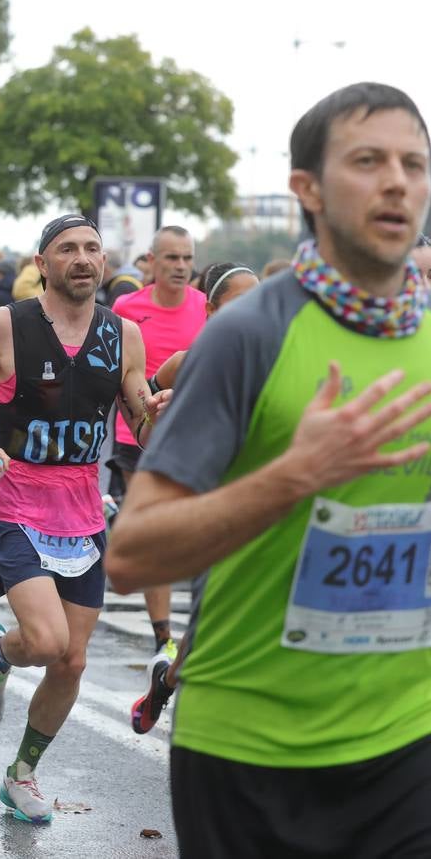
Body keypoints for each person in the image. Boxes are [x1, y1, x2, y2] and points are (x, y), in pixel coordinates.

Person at [105, 82, 431, 857]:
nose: (397, 180)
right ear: (307, 189)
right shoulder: (248, 336)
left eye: (414, 163)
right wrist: (296, 473)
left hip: (414, 729)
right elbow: (132, 555)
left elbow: (429, 506)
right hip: (249, 742)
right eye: (368, 160)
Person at [0, 213, 158, 824]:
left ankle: (22, 775)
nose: (83, 258)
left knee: (72, 661)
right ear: (44, 262)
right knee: (49, 640)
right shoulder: (7, 324)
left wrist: (159, 411)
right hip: (17, 501)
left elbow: (139, 421)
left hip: (84, 509)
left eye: (92, 248)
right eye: (68, 249)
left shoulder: (123, 335)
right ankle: (0, 654)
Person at [123, 261, 259, 736]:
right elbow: (143, 425)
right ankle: (168, 682)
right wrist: (156, 415)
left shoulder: (284, 361)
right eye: (241, 305)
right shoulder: (185, 363)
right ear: (213, 309)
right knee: (212, 631)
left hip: (266, 514)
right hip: (211, 508)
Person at [108, 225, 206, 667]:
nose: (181, 267)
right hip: (139, 433)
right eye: (171, 258)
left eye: (187, 258)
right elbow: (112, 370)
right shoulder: (128, 307)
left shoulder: (206, 308)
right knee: (158, 535)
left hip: (194, 436)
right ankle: (162, 638)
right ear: (152, 260)